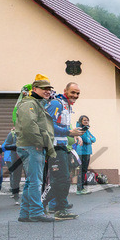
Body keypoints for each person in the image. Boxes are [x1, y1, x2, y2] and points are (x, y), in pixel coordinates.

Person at [15, 75, 57, 222]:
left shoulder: (35, 103)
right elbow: (29, 126)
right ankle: (36, 212)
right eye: (44, 88)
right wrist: (39, 143)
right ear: (34, 89)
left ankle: (25, 213)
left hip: (31, 146)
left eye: (49, 89)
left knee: (31, 181)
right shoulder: (29, 103)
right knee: (35, 181)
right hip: (32, 146)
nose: (47, 91)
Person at [43, 82, 82, 219]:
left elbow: (63, 125)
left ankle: (60, 207)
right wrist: (68, 131)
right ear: (65, 90)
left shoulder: (67, 106)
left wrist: (73, 133)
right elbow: (48, 124)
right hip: (54, 146)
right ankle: (44, 204)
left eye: (77, 93)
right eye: (73, 92)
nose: (75, 96)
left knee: (63, 179)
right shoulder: (57, 103)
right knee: (60, 179)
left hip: (63, 146)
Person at [73, 115, 96, 193]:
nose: (86, 122)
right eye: (84, 120)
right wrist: (90, 139)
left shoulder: (87, 130)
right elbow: (87, 140)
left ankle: (82, 187)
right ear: (81, 121)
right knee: (81, 170)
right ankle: (79, 189)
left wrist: (90, 139)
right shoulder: (80, 130)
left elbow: (94, 138)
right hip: (82, 152)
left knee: (84, 170)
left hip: (87, 152)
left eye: (87, 120)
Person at [2, 127, 21, 200]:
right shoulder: (12, 134)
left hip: (26, 157)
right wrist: (15, 146)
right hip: (13, 158)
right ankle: (15, 194)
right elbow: (6, 146)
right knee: (15, 176)